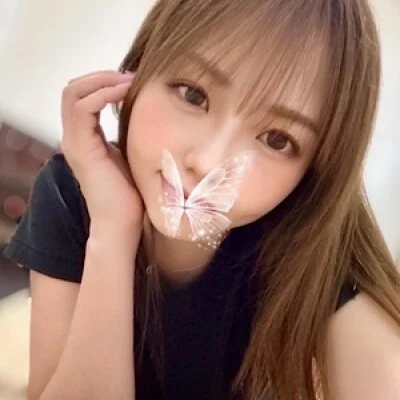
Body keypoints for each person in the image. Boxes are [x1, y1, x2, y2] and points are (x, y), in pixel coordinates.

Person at [3, 0, 400, 399]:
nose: (209, 162)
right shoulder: (78, 191)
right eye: (193, 95)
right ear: (137, 71)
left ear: (314, 172)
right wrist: (113, 229)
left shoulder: (321, 268)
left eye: (276, 140)